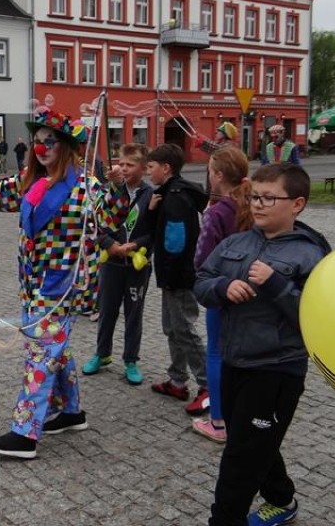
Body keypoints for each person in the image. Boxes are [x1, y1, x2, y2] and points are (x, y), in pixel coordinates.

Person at [0, 109, 127, 459]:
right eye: (37, 142)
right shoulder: (31, 179)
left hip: (60, 287)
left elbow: (110, 216)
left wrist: (117, 186)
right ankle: (71, 412)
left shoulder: (84, 185)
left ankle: (25, 434)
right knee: (57, 348)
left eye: (49, 142)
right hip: (32, 283)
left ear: (66, 147)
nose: (42, 148)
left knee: (40, 355)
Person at [194, 163, 330, 526]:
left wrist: (276, 285)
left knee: (240, 456)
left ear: (297, 204)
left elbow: (317, 317)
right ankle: (282, 500)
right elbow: (203, 281)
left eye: (269, 198)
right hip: (234, 361)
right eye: (255, 196)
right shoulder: (236, 242)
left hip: (277, 369)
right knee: (252, 439)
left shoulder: (311, 254)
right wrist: (223, 288)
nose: (258, 205)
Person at [190, 147, 253, 444]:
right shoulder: (254, 205)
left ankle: (218, 422)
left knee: (216, 352)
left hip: (221, 290)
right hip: (252, 290)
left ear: (218, 175)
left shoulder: (216, 213)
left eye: (209, 170)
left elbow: (201, 258)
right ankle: (242, 414)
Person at [143, 143, 210, 415]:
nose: (149, 173)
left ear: (166, 168)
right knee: (172, 328)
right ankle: (177, 380)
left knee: (184, 329)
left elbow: (176, 244)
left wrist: (171, 278)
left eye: (151, 168)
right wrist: (150, 210)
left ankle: (208, 386)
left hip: (179, 277)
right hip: (172, 276)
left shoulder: (176, 197)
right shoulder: (166, 194)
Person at [81, 143, 154, 385]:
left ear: (143, 168)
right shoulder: (107, 191)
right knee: (107, 310)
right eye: (121, 163)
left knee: (134, 314)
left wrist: (134, 245)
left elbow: (153, 231)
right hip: (111, 261)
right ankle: (102, 354)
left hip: (136, 265)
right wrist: (109, 244)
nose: (124, 168)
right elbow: (97, 224)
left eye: (130, 165)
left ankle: (131, 359)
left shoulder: (150, 195)